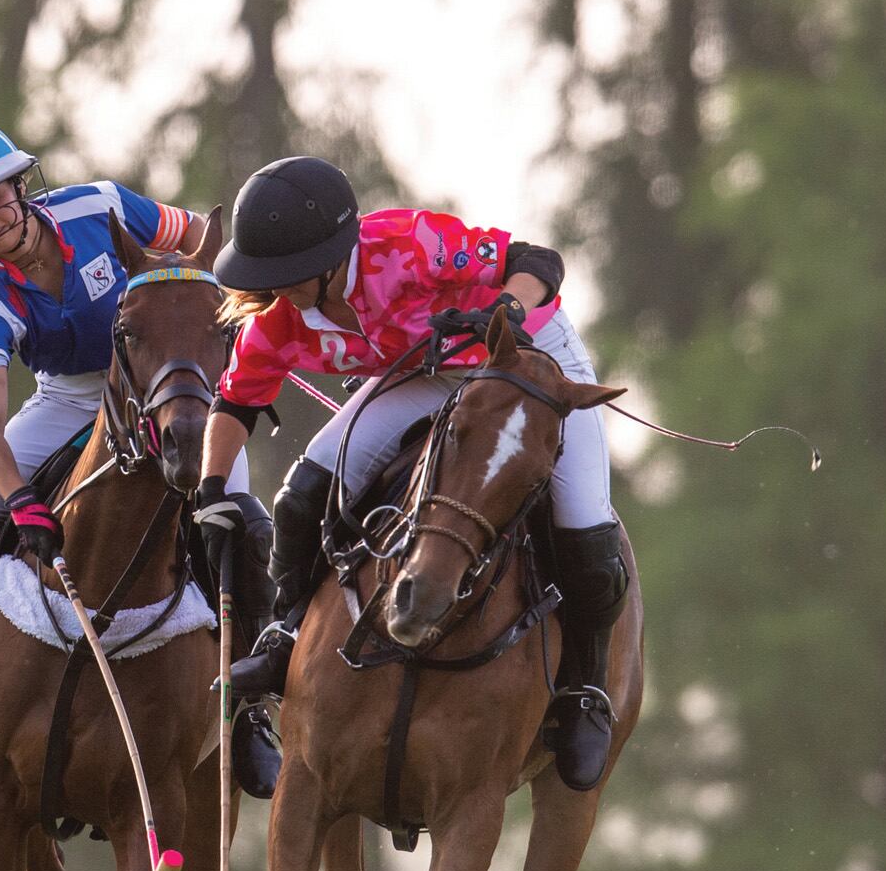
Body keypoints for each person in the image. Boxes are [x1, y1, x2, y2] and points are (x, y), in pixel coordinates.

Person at [0, 118, 281, 796]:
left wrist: (226, 314)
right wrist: (21, 501)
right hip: (69, 398)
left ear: (20, 185)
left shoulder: (100, 206)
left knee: (240, 520)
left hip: (171, 384)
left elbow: (200, 239)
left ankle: (252, 708)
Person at [191, 156, 627, 791]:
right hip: (424, 376)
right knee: (303, 493)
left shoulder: (407, 244)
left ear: (331, 258)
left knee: (584, 523)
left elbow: (538, 262)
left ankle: (585, 684)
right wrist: (209, 488)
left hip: (529, 360)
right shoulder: (280, 320)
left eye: (286, 276)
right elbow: (235, 401)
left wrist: (497, 312)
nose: (274, 291)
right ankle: (285, 632)